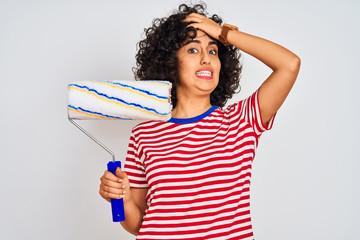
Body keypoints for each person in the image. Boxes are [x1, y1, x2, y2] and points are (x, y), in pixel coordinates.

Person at [99, 3, 300, 239]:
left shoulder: (241, 121)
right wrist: (122, 198)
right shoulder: (144, 134)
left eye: (213, 51)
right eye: (193, 50)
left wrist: (223, 33)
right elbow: (138, 223)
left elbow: (289, 65)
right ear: (171, 62)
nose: (206, 59)